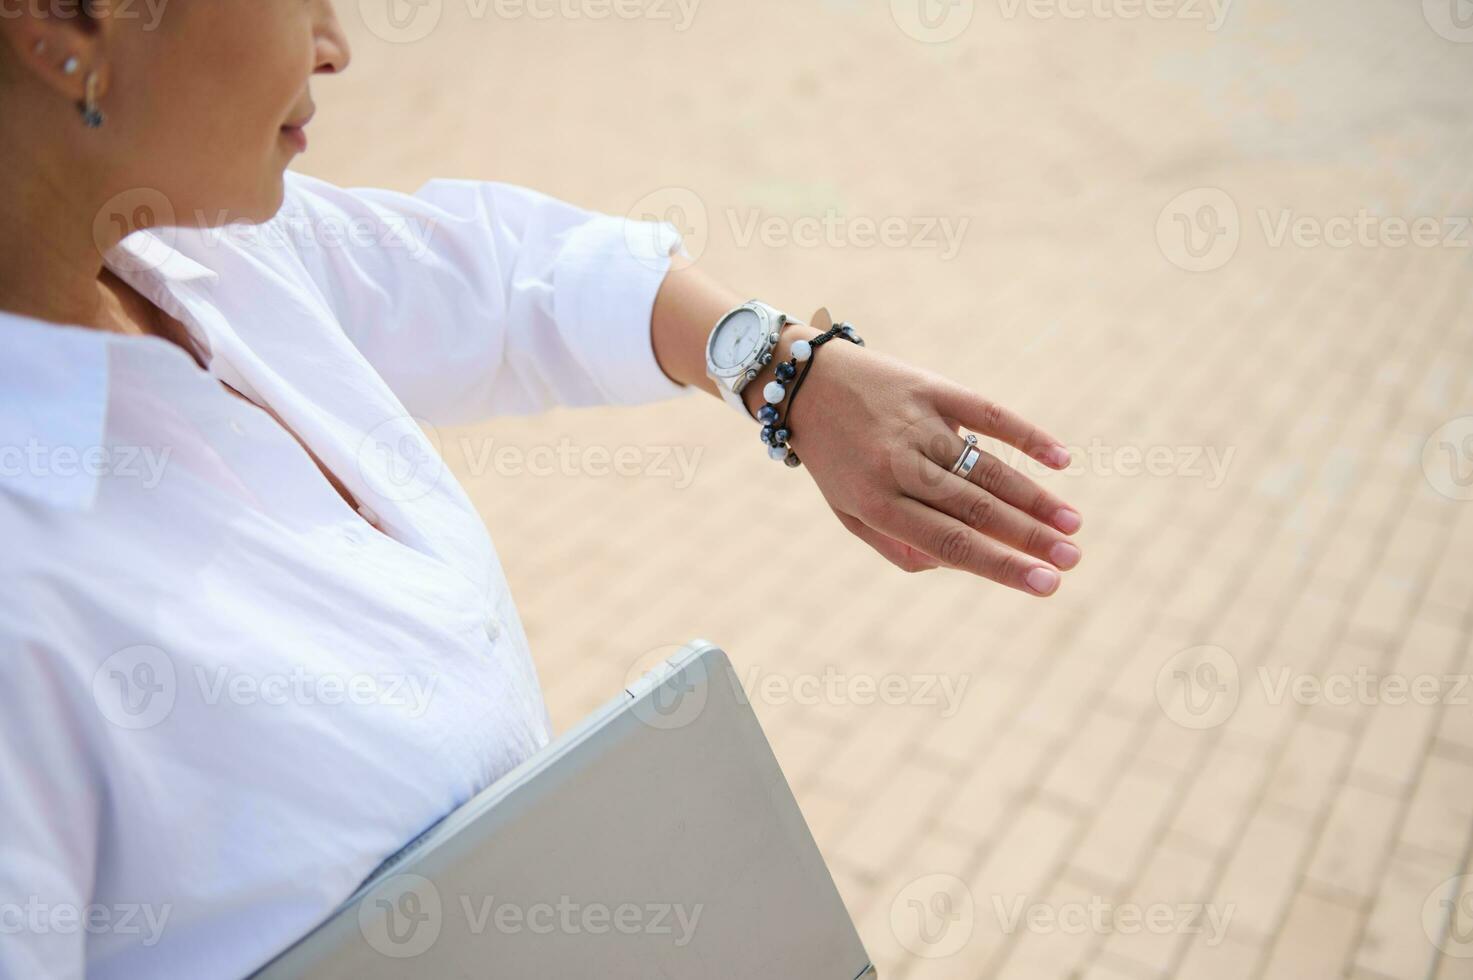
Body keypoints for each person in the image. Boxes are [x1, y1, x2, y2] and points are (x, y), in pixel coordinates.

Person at [0, 0, 1084, 975]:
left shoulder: (194, 253)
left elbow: (500, 279)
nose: (335, 44)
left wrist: (784, 370)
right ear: (63, 19)